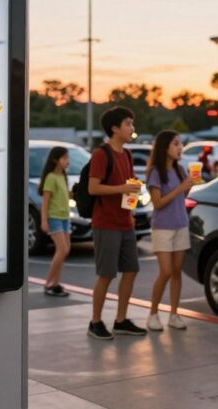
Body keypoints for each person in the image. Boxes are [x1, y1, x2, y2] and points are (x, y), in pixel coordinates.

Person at [87, 106, 147, 340]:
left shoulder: (128, 154)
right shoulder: (102, 154)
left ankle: (121, 320)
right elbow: (93, 187)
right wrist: (122, 188)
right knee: (107, 274)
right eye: (128, 124)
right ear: (114, 128)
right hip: (106, 223)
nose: (132, 128)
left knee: (131, 270)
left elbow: (126, 185)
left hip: (126, 222)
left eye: (132, 124)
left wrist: (132, 191)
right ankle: (95, 322)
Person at [146, 130, 196, 331]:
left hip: (181, 224)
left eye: (181, 144)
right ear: (165, 147)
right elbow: (157, 203)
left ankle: (174, 314)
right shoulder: (155, 172)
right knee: (165, 271)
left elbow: (182, 195)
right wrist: (180, 188)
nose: (180, 147)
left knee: (176, 272)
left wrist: (189, 185)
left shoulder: (180, 169)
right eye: (176, 144)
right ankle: (153, 314)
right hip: (163, 227)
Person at [39, 146, 71, 297]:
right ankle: (48, 284)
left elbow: (65, 197)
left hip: (65, 217)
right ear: (55, 160)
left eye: (67, 158)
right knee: (62, 249)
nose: (67, 161)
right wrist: (44, 220)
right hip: (54, 217)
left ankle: (56, 283)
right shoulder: (51, 177)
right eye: (64, 158)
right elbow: (45, 202)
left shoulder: (63, 177)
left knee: (65, 250)